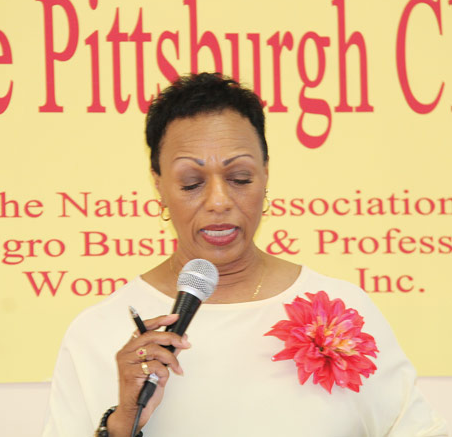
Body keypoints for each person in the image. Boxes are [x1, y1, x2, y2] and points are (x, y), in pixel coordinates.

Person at [42, 73, 448, 437]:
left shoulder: (343, 313)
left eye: (239, 178)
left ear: (265, 174)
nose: (219, 201)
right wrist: (121, 424)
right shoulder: (99, 332)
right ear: (159, 185)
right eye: (191, 183)